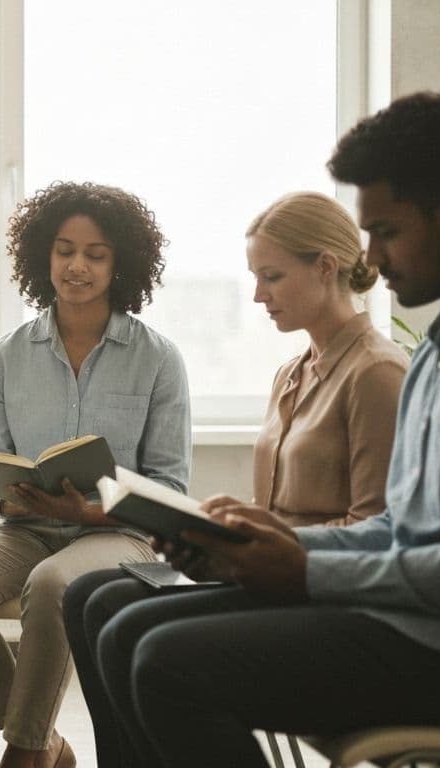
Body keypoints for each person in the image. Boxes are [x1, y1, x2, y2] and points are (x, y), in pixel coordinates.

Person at [66, 91, 440, 768]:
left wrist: (305, 571)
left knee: (161, 660)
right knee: (123, 630)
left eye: (387, 231)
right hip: (415, 621)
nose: (374, 258)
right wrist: (272, 541)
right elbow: (402, 529)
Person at [62, 190, 409, 766]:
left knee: (123, 626)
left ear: (325, 267)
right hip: (265, 568)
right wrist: (210, 528)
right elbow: (279, 505)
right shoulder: (293, 371)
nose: (257, 294)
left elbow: (375, 527)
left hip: (310, 586)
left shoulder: (376, 374)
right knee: (87, 596)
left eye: (271, 276)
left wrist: (250, 545)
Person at [0, 181, 191, 768]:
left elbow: (170, 490)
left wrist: (93, 512)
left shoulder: (159, 358)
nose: (77, 265)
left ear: (120, 262)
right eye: (65, 249)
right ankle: (47, 744)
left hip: (119, 535)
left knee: (51, 585)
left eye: (96, 253)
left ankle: (23, 752)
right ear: (43, 255)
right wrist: (9, 502)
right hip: (29, 528)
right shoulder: (5, 356)